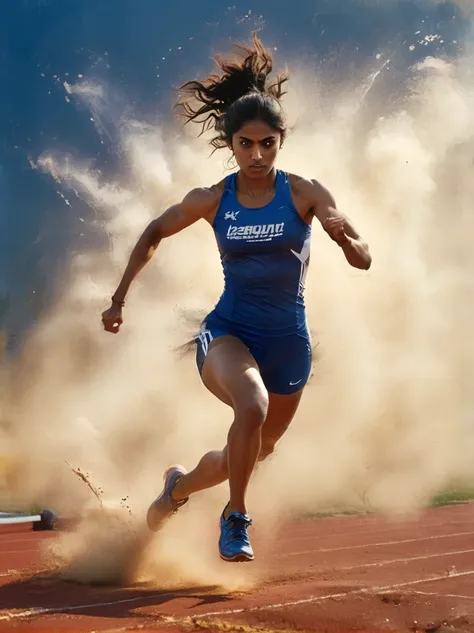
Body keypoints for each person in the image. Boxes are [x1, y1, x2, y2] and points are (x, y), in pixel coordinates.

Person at [101, 34, 372, 563]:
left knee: (247, 452)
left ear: (280, 141)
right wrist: (118, 300)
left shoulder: (306, 193)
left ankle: (176, 488)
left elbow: (363, 259)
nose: (256, 154)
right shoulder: (213, 199)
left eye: (266, 143)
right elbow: (155, 231)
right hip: (228, 333)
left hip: (289, 344)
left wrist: (345, 237)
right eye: (245, 144)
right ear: (231, 144)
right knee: (251, 406)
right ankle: (236, 517)